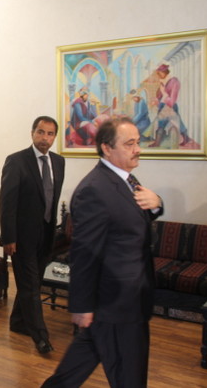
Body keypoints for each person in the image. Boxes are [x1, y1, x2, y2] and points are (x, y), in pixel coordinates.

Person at [42, 117, 163, 388]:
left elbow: (132, 221)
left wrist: (157, 203)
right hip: (115, 304)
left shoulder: (127, 180)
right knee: (129, 377)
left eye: (138, 142)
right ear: (107, 148)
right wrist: (82, 305)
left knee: (75, 369)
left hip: (128, 299)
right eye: (129, 144)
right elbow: (84, 253)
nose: (137, 149)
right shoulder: (94, 190)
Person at [0, 115, 65, 354]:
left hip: (46, 234)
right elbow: (7, 202)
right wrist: (8, 238)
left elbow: (52, 199)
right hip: (21, 238)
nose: (45, 138)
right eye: (40, 132)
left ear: (54, 137)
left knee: (32, 283)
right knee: (29, 286)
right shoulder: (16, 161)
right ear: (32, 133)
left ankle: (18, 321)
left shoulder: (59, 162)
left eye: (50, 133)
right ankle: (41, 337)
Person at [149, 64, 190, 148]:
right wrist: (156, 100)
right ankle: (186, 138)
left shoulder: (174, 81)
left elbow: (172, 101)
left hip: (169, 106)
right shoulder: (163, 82)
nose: (158, 76)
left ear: (165, 72)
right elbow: (159, 96)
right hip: (162, 105)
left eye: (159, 73)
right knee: (177, 122)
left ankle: (157, 143)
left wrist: (163, 92)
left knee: (162, 123)